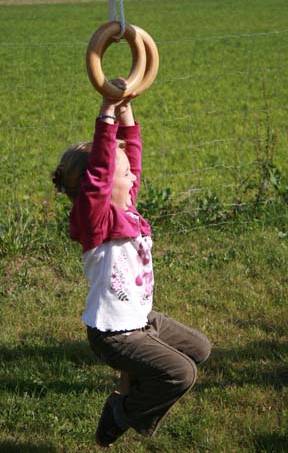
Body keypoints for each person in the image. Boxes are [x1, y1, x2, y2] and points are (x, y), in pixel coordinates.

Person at [52, 79, 211, 447]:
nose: (132, 175)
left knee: (200, 349)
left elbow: (131, 155)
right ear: (103, 184)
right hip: (113, 335)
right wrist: (106, 113)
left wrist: (125, 110)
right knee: (181, 374)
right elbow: (101, 174)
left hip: (140, 321)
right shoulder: (97, 222)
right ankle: (120, 414)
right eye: (122, 174)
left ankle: (133, 379)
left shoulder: (126, 207)